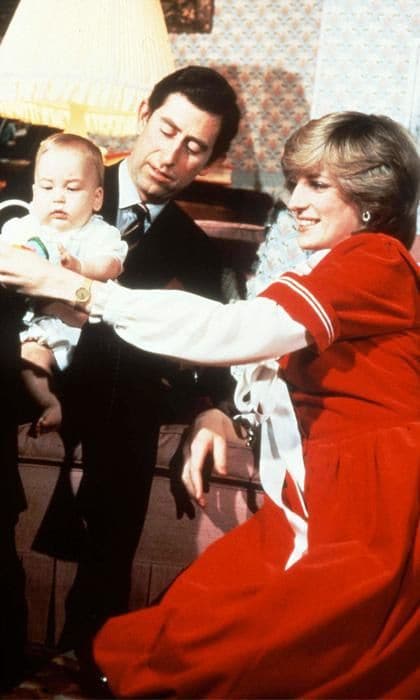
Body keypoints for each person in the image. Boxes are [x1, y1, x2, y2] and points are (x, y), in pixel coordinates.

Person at [2, 110, 418, 698]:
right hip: (332, 487)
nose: (295, 200)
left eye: (317, 185)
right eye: (294, 182)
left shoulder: (373, 260)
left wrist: (74, 287)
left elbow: (232, 332)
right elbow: (258, 359)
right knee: (203, 617)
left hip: (373, 503)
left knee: (259, 650)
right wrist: (215, 412)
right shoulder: (335, 269)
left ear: (373, 198)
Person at [38, 66, 240, 652]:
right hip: (31, 369)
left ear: (206, 161)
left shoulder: (197, 254)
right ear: (143, 115)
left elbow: (212, 348)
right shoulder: (62, 186)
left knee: (134, 408)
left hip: (120, 411)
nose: (170, 155)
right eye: (167, 129)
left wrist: (210, 406)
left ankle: (88, 653)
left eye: (194, 147)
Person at [1, 133, 127, 436]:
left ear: (97, 198)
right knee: (29, 358)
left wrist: (81, 267)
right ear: (34, 193)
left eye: (71, 189)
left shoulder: (99, 233)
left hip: (83, 328)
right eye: (47, 187)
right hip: (37, 326)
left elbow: (113, 264)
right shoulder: (23, 227)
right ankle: (49, 403)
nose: (58, 197)